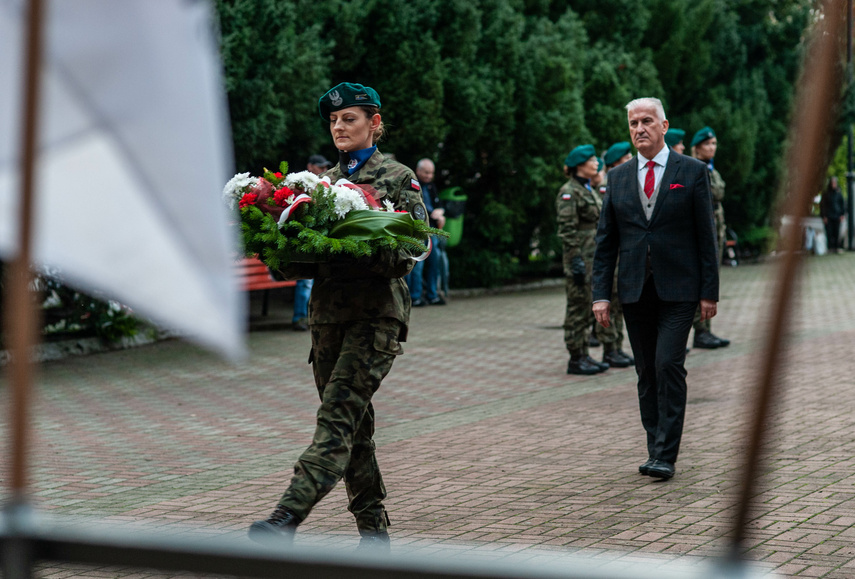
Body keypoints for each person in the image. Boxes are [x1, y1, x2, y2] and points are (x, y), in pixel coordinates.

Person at [248, 82, 428, 550]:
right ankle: (375, 537)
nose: (339, 127)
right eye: (333, 120)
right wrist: (272, 243)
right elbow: (301, 265)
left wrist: (359, 244)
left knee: (336, 420)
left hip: (375, 318)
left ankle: (286, 517)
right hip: (327, 321)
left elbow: (412, 251)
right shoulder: (319, 184)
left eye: (349, 118)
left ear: (374, 122)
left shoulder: (397, 177)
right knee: (355, 430)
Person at [592, 97, 719, 481]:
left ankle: (666, 454)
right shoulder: (617, 178)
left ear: (664, 126)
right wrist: (600, 295)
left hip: (680, 290)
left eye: (647, 121)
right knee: (646, 372)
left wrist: (709, 292)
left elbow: (706, 236)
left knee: (668, 365)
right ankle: (655, 449)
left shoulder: (691, 171)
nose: (639, 129)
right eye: (633, 123)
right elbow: (606, 243)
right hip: (635, 290)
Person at [558, 144, 609, 375]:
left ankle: (585, 354)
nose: (597, 163)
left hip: (593, 259)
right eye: (592, 160)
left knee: (588, 306)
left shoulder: (588, 189)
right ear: (580, 165)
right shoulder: (569, 192)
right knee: (577, 308)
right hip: (579, 261)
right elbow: (567, 231)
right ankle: (576, 357)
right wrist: (575, 261)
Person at [592, 141, 635, 369]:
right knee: (610, 300)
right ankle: (610, 349)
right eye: (626, 158)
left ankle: (616, 347)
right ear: (616, 162)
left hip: (622, 253)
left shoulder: (622, 182)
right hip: (610, 255)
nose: (631, 160)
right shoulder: (607, 186)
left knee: (618, 303)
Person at [689, 127, 729, 349]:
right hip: (702, 233)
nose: (712, 148)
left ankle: (706, 329)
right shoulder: (696, 169)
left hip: (716, 231)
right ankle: (700, 330)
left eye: (714, 143)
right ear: (697, 148)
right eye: (707, 144)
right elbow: (715, 193)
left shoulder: (711, 169)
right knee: (702, 280)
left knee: (712, 280)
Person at [290, 155, 333, 331]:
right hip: (303, 239)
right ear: (310, 166)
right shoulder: (299, 185)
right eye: (320, 167)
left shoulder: (326, 185)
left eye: (325, 167)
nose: (324, 170)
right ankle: (300, 318)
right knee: (305, 281)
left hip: (320, 239)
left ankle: (316, 317)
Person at [405, 158, 446, 306]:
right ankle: (415, 297)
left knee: (434, 262)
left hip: (432, 230)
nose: (429, 176)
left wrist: (440, 212)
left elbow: (438, 204)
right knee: (418, 264)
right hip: (418, 230)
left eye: (431, 173)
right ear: (418, 171)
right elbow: (414, 207)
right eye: (426, 172)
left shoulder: (431, 186)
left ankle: (432, 295)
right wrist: (432, 213)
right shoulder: (412, 186)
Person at [821, 176, 846, 253]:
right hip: (828, 216)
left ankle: (836, 247)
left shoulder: (838, 193)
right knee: (829, 232)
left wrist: (842, 214)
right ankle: (830, 248)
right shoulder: (826, 194)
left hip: (837, 215)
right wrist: (824, 216)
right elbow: (823, 205)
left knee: (836, 232)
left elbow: (842, 204)